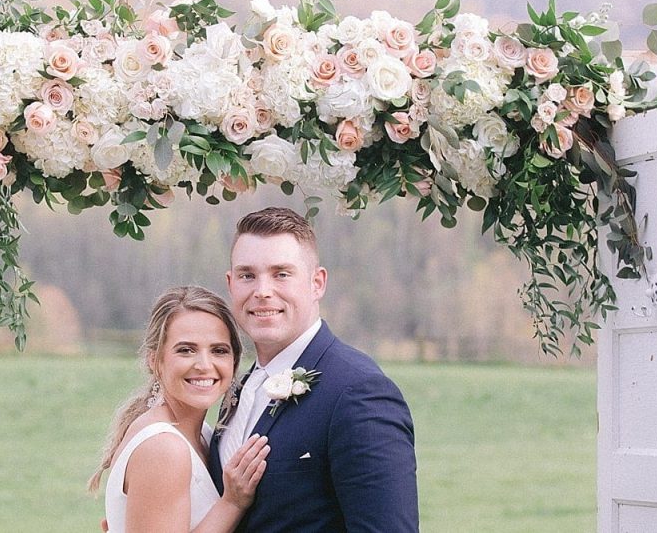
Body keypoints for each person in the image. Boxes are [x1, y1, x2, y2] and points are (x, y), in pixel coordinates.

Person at [209, 207, 419, 531]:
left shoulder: (358, 392)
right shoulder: (237, 389)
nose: (262, 291)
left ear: (317, 283)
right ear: (230, 284)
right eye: (247, 275)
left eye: (281, 273)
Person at [92, 286, 273, 532]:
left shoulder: (203, 435)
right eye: (186, 350)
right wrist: (232, 503)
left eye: (219, 350)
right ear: (155, 361)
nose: (204, 365)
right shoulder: (164, 447)